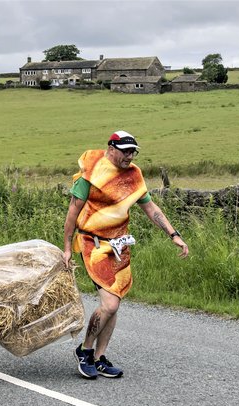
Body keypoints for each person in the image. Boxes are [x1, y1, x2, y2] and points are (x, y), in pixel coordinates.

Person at [63, 130, 189, 379]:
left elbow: (151, 208)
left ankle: (99, 358)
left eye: (133, 151)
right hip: (93, 243)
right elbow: (72, 212)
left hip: (119, 245)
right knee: (109, 304)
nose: (129, 156)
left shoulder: (134, 176)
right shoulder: (90, 172)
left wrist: (173, 234)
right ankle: (84, 350)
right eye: (125, 151)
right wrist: (67, 247)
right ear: (111, 148)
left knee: (115, 303)